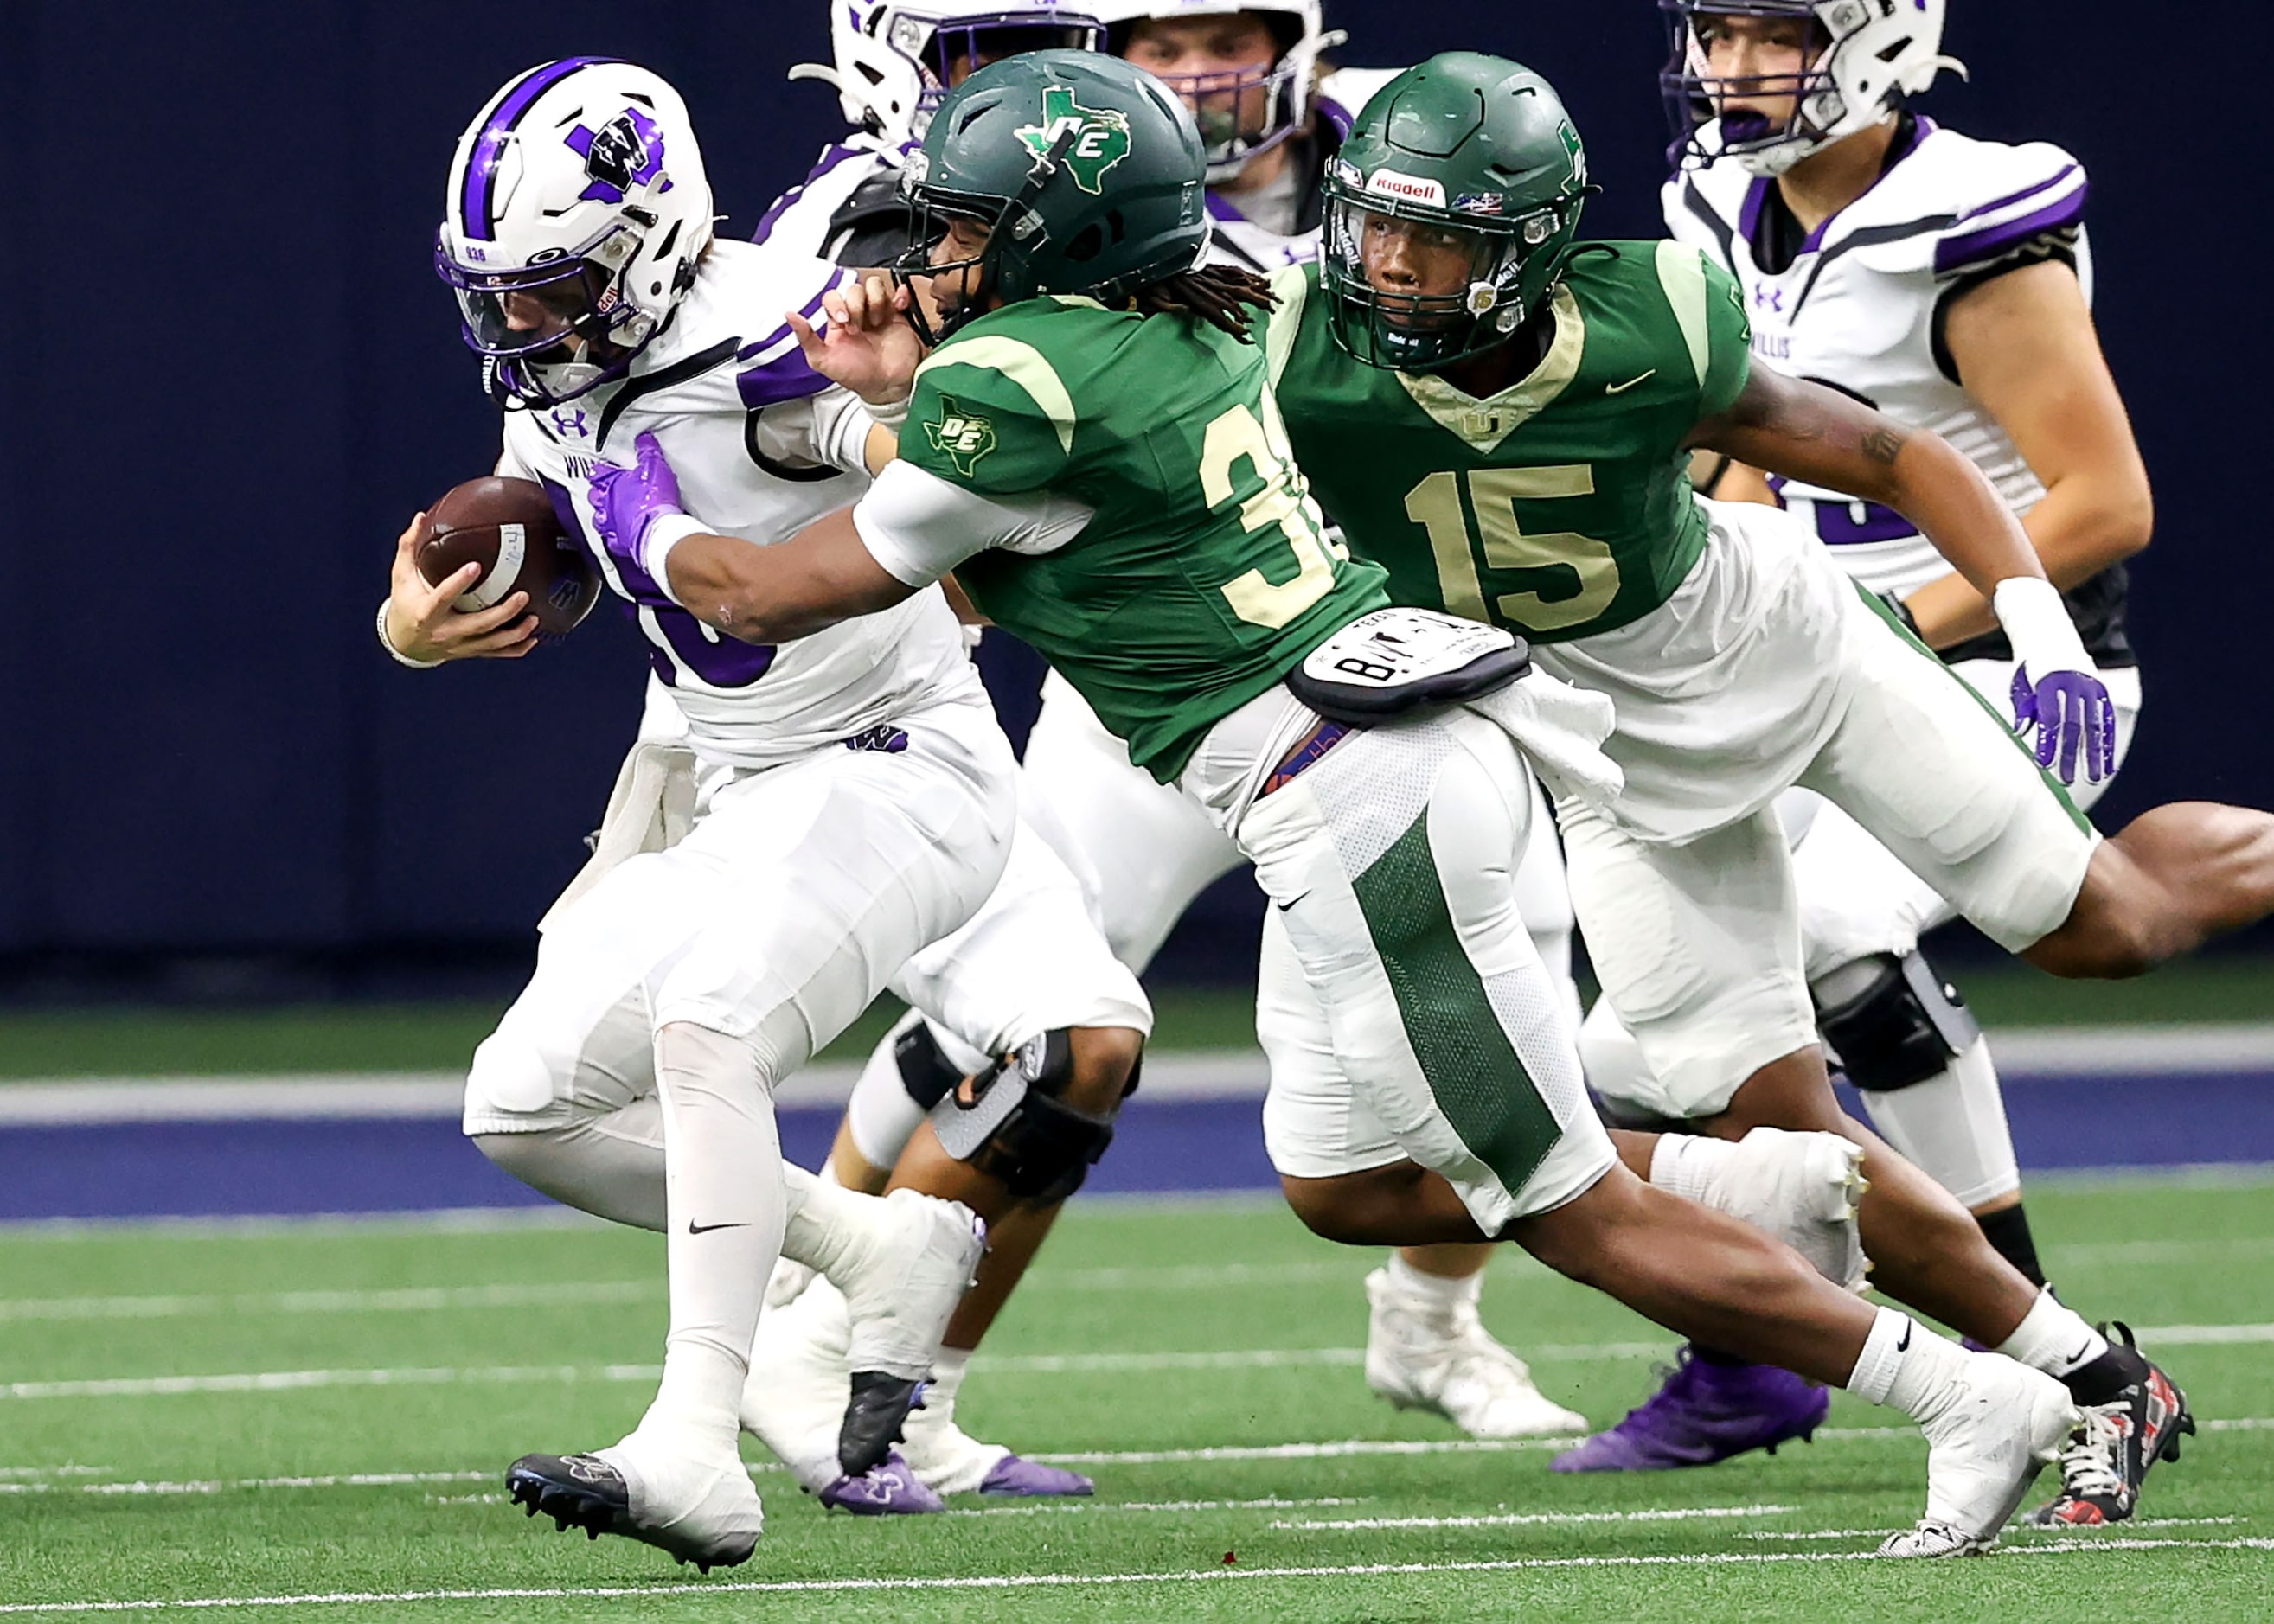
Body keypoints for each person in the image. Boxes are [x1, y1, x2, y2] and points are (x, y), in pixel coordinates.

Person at [579, 48, 2097, 1559]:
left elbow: (765, 593)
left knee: (1563, 1206)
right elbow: (1008, 530)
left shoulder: (1015, 374)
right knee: (1341, 1181)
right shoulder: (1177, 324)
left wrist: (622, 493)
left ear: (1058, 233)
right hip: (1377, 758)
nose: (936, 253)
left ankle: (1965, 1392)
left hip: (1351, 793)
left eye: (970, 224)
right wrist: (883, 399)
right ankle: (1754, 1174)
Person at [1265, 51, 2267, 1524]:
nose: (1395, 265)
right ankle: (2095, 1379)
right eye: (1376, 224)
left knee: (2099, 926)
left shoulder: (1647, 314)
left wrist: (2033, 618)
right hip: (1608, 750)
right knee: (1780, 1141)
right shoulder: (1285, 338)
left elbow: (1881, 447)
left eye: (1444, 237)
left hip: (1793, 652)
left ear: (1533, 242)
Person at [741, 3, 1582, 1505]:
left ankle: (1435, 1319)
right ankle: (851, 1343)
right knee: (1047, 1030)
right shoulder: (896, 221)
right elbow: (878, 466)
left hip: (1350, 630)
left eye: (1227, 37)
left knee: (1516, 962)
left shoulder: (1405, 144)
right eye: (1159, 40)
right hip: (1151, 674)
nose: (1192, 74)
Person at [388, 57, 1024, 1570]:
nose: (520, 325)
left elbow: (913, 465)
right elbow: (536, 505)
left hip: (897, 763)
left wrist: (884, 420)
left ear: (655, 240)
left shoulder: (777, 338)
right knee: (523, 1102)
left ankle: (692, 1440)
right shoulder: (562, 368)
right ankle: (877, 1245)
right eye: (500, 294)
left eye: (552, 289)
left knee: (710, 1028)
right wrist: (411, 627)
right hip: (748, 788)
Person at [1560, 0, 2182, 1523]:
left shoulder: (1966, 224)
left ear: (1881, 39)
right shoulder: (1714, 201)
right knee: (1620, 1062)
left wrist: (1883, 623)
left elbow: (2100, 500)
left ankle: (2040, 1340)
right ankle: (1764, 1349)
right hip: (1804, 650)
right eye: (1714, 34)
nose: (1730, 68)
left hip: (2002, 660)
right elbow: (1734, 440)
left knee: (1844, 941)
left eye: (1772, 31)